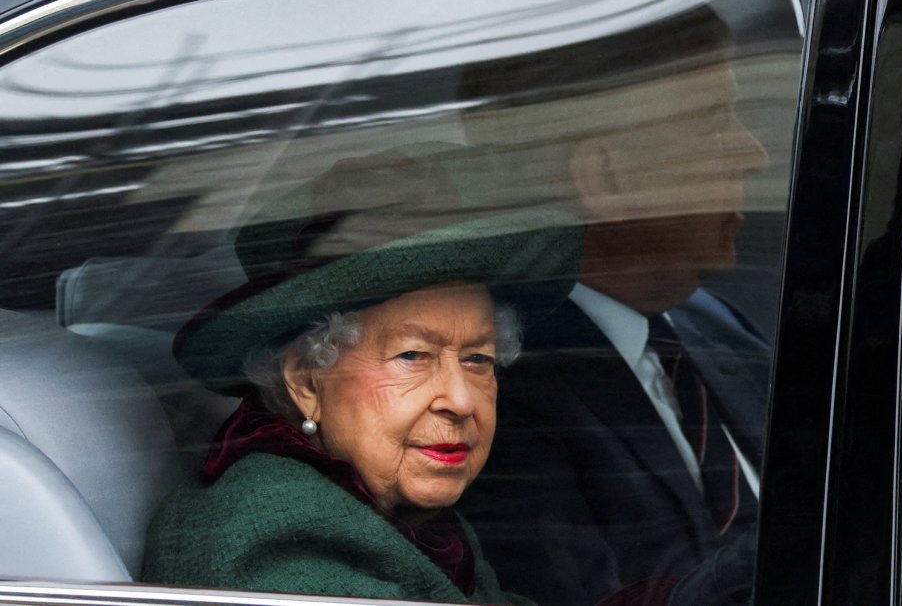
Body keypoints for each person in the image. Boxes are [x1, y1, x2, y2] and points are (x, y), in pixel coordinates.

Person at [142, 148, 583, 603]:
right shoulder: (280, 533)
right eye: (413, 355)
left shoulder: (399, 516)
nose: (461, 399)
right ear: (308, 380)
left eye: (478, 359)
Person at [457, 4, 774, 605]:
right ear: (606, 177)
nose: (752, 154)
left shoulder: (713, 323)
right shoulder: (499, 393)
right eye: (713, 122)